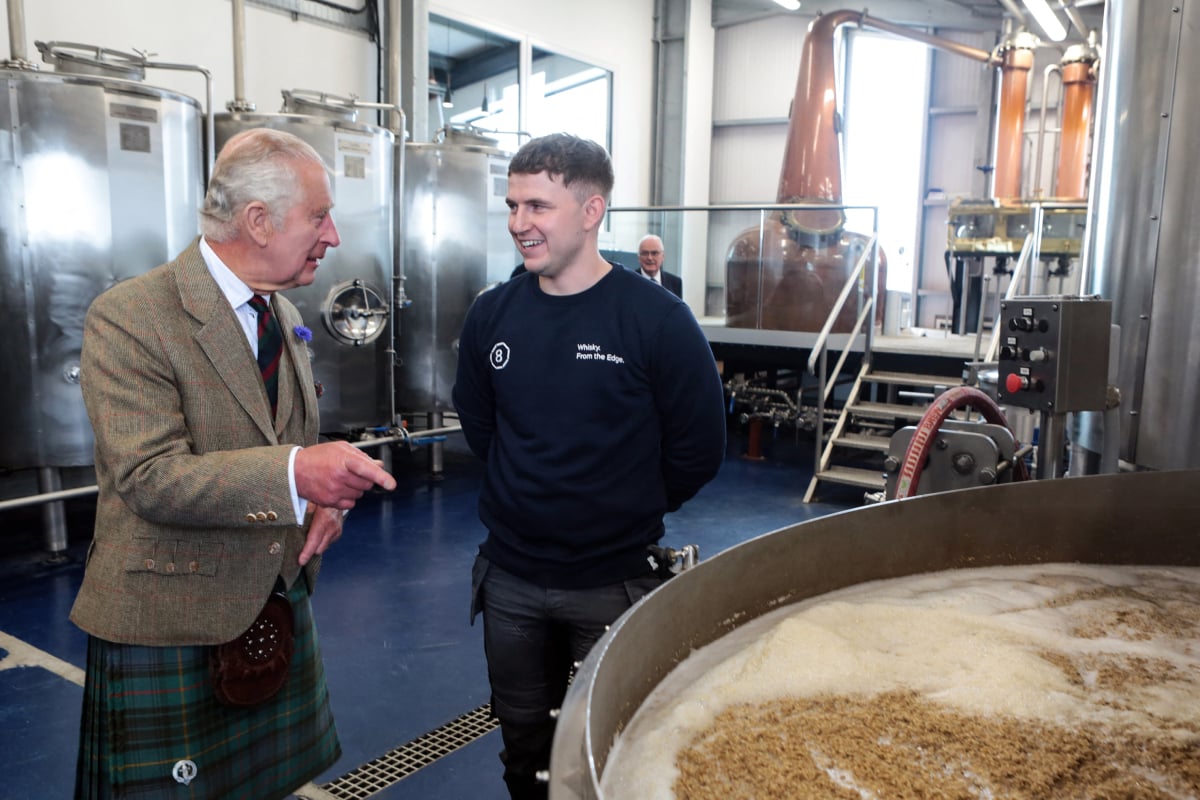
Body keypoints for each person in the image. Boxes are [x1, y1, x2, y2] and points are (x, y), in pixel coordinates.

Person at [70, 128, 397, 800]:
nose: (332, 236)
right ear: (257, 220)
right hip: (172, 618)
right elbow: (147, 476)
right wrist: (296, 476)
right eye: (318, 216)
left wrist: (321, 503)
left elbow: (283, 438)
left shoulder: (277, 312)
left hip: (271, 603)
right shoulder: (131, 316)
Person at [453, 133, 727, 799]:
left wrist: (622, 505)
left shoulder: (656, 320)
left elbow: (698, 447)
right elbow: (482, 428)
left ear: (591, 209)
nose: (520, 223)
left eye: (538, 206)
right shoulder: (493, 315)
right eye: (513, 206)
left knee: (605, 752)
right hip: (511, 579)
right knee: (524, 749)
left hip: (610, 580)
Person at [636, 233, 682, 298]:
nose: (650, 258)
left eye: (654, 253)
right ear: (639, 257)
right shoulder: (629, 282)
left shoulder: (675, 283)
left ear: (663, 256)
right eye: (645, 253)